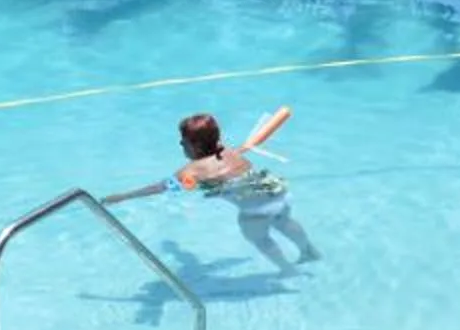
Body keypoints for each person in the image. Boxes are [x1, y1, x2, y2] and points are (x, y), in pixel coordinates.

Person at [106, 111, 320, 269]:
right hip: (275, 190)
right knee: (284, 221)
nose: (181, 145)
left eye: (183, 142)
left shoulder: (193, 171)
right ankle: (308, 250)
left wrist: (124, 196)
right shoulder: (226, 150)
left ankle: (287, 269)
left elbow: (161, 187)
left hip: (255, 211)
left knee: (259, 238)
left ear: (195, 147)